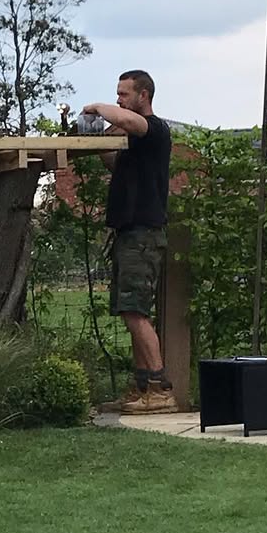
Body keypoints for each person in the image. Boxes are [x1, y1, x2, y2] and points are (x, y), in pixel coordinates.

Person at [80, 70, 176, 414]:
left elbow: (128, 121)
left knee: (136, 312)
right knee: (130, 311)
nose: (119, 99)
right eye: (117, 94)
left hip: (143, 234)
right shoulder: (134, 143)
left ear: (143, 95)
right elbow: (114, 163)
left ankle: (160, 390)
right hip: (128, 232)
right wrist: (94, 140)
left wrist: (96, 107)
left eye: (124, 94)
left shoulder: (155, 130)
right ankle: (141, 388)